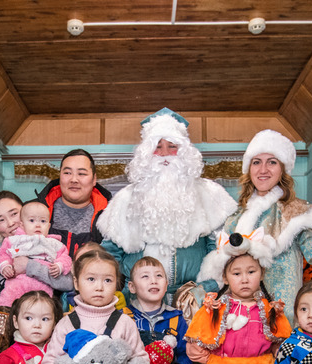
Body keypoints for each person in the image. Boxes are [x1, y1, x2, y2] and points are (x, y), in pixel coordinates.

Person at [198, 129, 312, 325]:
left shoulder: (298, 213)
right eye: (256, 162)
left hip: (282, 321)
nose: (263, 169)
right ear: (249, 169)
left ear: (283, 169)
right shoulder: (234, 220)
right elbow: (222, 275)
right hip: (239, 324)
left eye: (272, 162)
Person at [98, 108, 236, 313]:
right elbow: (110, 255)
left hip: (193, 303)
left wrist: (205, 288)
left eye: (172, 147)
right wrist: (117, 292)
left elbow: (220, 250)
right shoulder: (126, 199)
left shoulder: (208, 194)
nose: (164, 154)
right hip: (136, 304)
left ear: (184, 153)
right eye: (157, 147)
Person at [0, 191, 73, 348]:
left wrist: (29, 266)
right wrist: (13, 303)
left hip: (44, 339)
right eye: (0, 220)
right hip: (2, 341)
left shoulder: (48, 246)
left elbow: (68, 283)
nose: (10, 223)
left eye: (14, 214)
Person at [38, 149, 113, 258]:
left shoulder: (110, 216)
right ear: (60, 177)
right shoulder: (35, 210)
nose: (74, 179)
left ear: (94, 180)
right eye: (67, 173)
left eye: (81, 173)